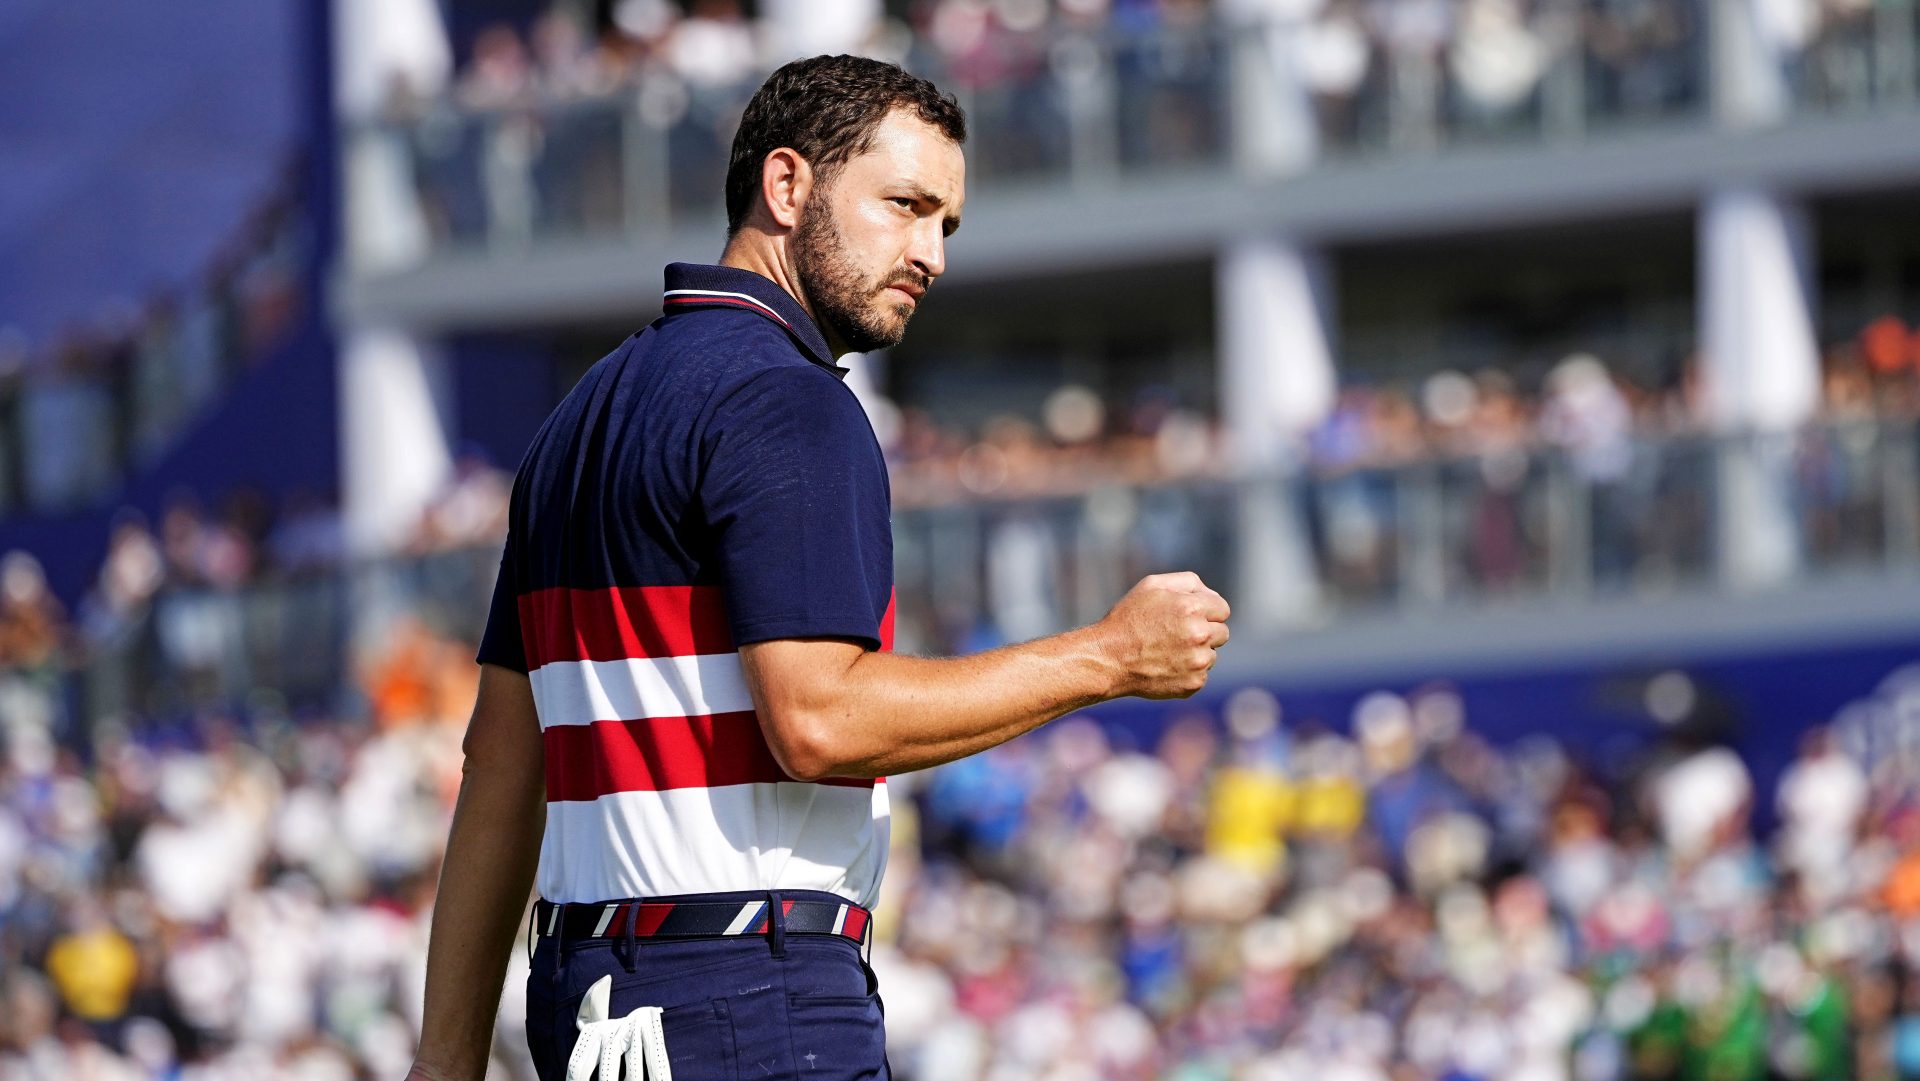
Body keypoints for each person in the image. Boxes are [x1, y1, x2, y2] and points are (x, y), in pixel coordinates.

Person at [404, 54, 1231, 1081]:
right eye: (906, 204)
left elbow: (501, 764)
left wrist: (443, 1062)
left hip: (588, 1009)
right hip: (750, 992)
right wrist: (1109, 656)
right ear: (787, 186)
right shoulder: (787, 401)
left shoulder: (576, 422)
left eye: (947, 224)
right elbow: (819, 720)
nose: (930, 252)